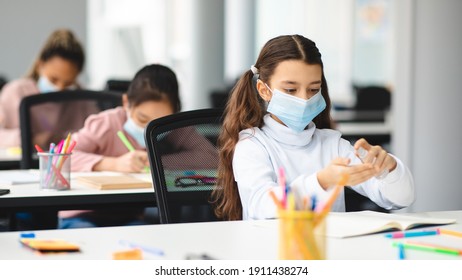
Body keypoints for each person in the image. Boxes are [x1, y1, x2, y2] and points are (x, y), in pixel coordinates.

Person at [212, 35, 415, 221]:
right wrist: (321, 181)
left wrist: (389, 168)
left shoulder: (332, 144)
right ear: (264, 90)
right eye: (290, 89)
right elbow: (261, 206)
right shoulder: (253, 144)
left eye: (313, 89)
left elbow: (400, 199)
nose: (304, 99)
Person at [59, 64, 218, 228]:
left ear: (174, 114)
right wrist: (113, 164)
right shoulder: (106, 123)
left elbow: (212, 158)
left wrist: (156, 162)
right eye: (142, 119)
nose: (148, 129)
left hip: (128, 217)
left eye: (159, 124)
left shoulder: (174, 128)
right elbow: (60, 157)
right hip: (82, 215)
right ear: (126, 102)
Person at [0, 29, 85, 148]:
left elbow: (94, 136)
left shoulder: (82, 100)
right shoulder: (15, 92)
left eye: (68, 82)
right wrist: (29, 139)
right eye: (53, 79)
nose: (60, 88)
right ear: (40, 65)